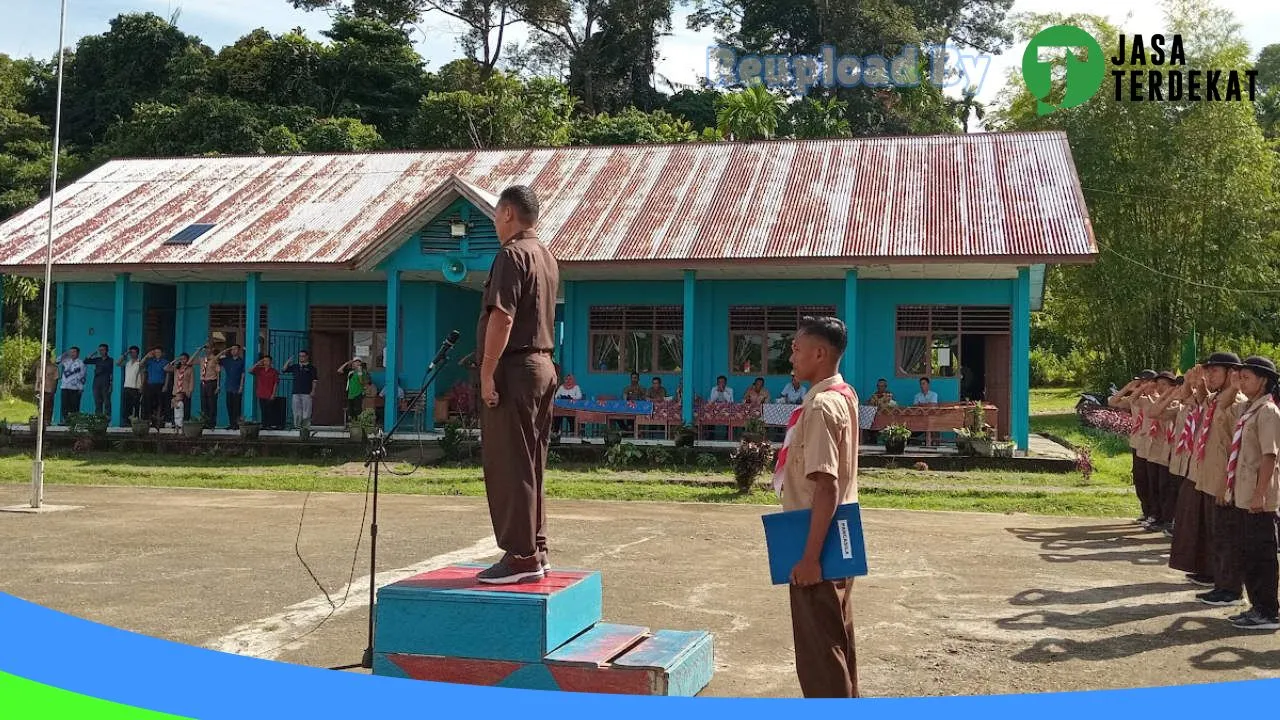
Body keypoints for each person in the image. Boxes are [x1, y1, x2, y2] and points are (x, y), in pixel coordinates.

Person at [475, 185, 560, 585]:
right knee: (532, 463)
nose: (495, 223)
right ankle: (536, 548)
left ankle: (521, 555)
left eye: (496, 214)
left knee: (510, 462)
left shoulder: (511, 254)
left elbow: (502, 318)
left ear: (508, 213)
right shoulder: (546, 256)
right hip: (543, 366)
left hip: (515, 369)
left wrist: (486, 371)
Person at [773, 315, 860, 698]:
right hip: (839, 534)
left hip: (816, 540)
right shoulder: (844, 394)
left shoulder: (822, 407)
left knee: (819, 655)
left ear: (820, 353)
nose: (790, 355)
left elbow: (827, 486)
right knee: (837, 642)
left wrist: (810, 559)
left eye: (796, 348)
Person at [1219, 356, 1280, 630]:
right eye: (1239, 377)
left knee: (1261, 555)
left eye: (1246, 377)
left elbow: (1270, 456)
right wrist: (1234, 385)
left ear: (1263, 380)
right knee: (1247, 552)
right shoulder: (1249, 409)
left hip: (1259, 497)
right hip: (1243, 492)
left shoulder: (1267, 411)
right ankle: (1257, 606)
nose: (1241, 382)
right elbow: (1222, 407)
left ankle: (1268, 612)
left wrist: (1260, 493)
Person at [1167, 365, 1212, 585]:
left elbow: (1208, 400)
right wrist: (1188, 381)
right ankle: (1201, 567)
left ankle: (1214, 575)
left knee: (1209, 526)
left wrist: (1201, 384)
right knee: (1193, 522)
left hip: (1210, 473)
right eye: (1208, 372)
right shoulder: (1199, 400)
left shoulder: (1231, 400)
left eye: (1214, 372)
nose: (1209, 377)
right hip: (1194, 469)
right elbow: (1186, 396)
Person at [1109, 370, 1159, 526]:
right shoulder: (1136, 399)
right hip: (1137, 443)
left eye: (1146, 382)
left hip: (1152, 445)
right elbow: (1113, 402)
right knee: (1140, 479)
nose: (1143, 385)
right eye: (1141, 382)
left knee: (1153, 480)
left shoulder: (1157, 399)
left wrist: (1141, 390)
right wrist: (1129, 387)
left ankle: (1155, 513)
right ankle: (1146, 511)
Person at [1143, 372, 1179, 535]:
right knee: (1156, 485)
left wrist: (1170, 396)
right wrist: (1165, 396)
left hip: (1172, 452)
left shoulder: (1177, 405)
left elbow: (1156, 413)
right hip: (1158, 451)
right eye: (1159, 384)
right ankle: (1158, 516)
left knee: (1168, 488)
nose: (1160, 387)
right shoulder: (1165, 402)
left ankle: (1168, 519)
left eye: (1165, 384)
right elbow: (1153, 413)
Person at [283, 351, 318, 428]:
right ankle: (297, 426)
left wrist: (313, 391)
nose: (301, 357)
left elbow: (314, 380)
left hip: (307, 392)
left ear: (307, 357)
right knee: (296, 410)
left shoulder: (311, 368)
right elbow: (284, 369)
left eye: (303, 356)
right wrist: (288, 362)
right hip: (296, 392)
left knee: (307, 410)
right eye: (300, 356)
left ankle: (305, 427)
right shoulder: (295, 366)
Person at [218, 345, 247, 430]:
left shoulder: (241, 361)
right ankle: (231, 423)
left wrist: (241, 386)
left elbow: (243, 374)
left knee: (236, 407)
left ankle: (236, 424)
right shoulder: (227, 360)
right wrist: (224, 351)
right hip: (228, 386)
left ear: (239, 351)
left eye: (235, 349)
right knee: (229, 406)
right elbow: (215, 359)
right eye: (232, 349)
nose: (233, 351)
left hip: (237, 386)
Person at [251, 355, 282, 429]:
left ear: (271, 362)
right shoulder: (259, 370)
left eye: (267, 360)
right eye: (264, 361)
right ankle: (264, 424)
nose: (265, 362)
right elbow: (250, 370)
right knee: (263, 410)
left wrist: (273, 394)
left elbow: (275, 383)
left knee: (269, 410)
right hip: (261, 393)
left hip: (269, 393)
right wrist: (258, 363)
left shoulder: (274, 371)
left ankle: (269, 424)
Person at [167, 352, 197, 429]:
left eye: (184, 359)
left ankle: (185, 423)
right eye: (181, 359)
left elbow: (192, 381)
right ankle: (175, 423)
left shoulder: (190, 369)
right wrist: (176, 360)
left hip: (185, 390)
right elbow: (166, 368)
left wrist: (190, 390)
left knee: (186, 408)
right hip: (177, 391)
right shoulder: (176, 368)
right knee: (175, 407)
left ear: (187, 359)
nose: (183, 360)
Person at [57, 347, 86, 422]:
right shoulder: (66, 361)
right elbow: (57, 360)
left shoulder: (81, 363)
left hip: (75, 388)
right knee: (64, 405)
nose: (72, 354)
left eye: (74, 352)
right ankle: (65, 420)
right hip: (65, 386)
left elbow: (83, 376)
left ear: (78, 353)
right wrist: (66, 354)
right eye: (71, 352)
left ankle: (74, 422)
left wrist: (81, 388)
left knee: (74, 405)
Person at [85, 343, 114, 418]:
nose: (101, 351)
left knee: (107, 401)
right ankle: (98, 417)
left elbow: (112, 373)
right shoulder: (98, 359)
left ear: (106, 350)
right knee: (97, 401)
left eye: (102, 350)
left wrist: (111, 384)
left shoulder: (111, 360)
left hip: (106, 382)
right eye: (100, 350)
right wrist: (92, 354)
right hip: (96, 382)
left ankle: (107, 417)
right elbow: (86, 361)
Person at [141, 347, 168, 425]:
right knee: (150, 403)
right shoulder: (150, 361)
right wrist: (147, 356)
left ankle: (159, 421)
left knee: (160, 403)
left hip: (160, 385)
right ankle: (150, 420)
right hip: (150, 385)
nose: (157, 354)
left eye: (159, 352)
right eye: (156, 352)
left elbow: (168, 374)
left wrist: (165, 385)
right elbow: (141, 364)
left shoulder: (165, 362)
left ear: (162, 353)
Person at [197, 345, 222, 428]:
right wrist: (198, 351)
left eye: (209, 349)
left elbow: (218, 373)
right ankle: (205, 422)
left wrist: (218, 386)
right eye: (206, 349)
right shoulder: (202, 359)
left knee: (212, 404)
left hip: (212, 382)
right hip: (203, 382)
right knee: (204, 403)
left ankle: (211, 423)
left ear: (212, 349)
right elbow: (189, 362)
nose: (207, 350)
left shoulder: (214, 359)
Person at [338, 358, 370, 423]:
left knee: (358, 410)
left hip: (358, 393)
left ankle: (359, 424)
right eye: (356, 362)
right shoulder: (350, 372)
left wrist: (360, 372)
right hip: (350, 393)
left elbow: (362, 382)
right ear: (353, 363)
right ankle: (352, 424)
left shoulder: (363, 372)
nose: (357, 363)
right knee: (351, 411)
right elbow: (339, 370)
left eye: (359, 362)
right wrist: (347, 363)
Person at [117, 346, 144, 421]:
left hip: (136, 387)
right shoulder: (128, 363)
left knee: (136, 405)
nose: (132, 354)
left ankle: (136, 419)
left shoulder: (140, 362)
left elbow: (142, 374)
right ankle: (127, 420)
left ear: (137, 353)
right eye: (131, 352)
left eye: (134, 352)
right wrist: (126, 354)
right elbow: (118, 363)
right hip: (127, 386)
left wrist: (142, 386)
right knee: (127, 406)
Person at [34, 348, 58, 426]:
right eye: (43, 355)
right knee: (39, 405)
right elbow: (32, 370)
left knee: (48, 406)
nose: (44, 357)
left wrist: (54, 389)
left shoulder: (54, 367)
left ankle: (47, 421)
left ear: (49, 356)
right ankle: (40, 421)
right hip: (39, 388)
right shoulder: (39, 365)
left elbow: (55, 379)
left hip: (49, 389)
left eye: (46, 355)